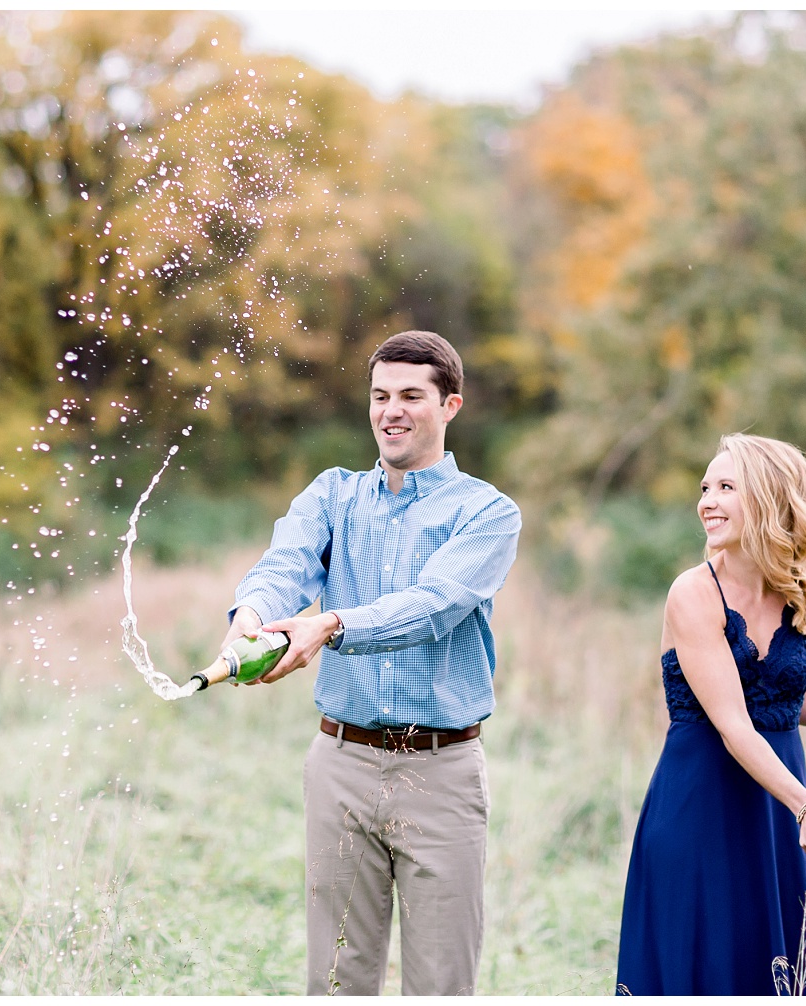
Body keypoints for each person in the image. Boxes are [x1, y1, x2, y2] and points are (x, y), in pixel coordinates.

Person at [220, 330, 520, 996]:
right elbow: (285, 565)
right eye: (381, 395)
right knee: (335, 981)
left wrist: (329, 624)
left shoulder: (486, 513)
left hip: (440, 772)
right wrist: (250, 615)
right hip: (341, 766)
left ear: (451, 405)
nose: (393, 410)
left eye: (412, 395)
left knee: (440, 984)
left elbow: (433, 605)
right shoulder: (333, 496)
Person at [615, 433, 806, 996]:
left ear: (769, 498)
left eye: (726, 487)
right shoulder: (693, 594)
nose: (707, 500)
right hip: (701, 808)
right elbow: (733, 722)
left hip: (781, 812)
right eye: (705, 487)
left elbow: (780, 698)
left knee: (783, 967)